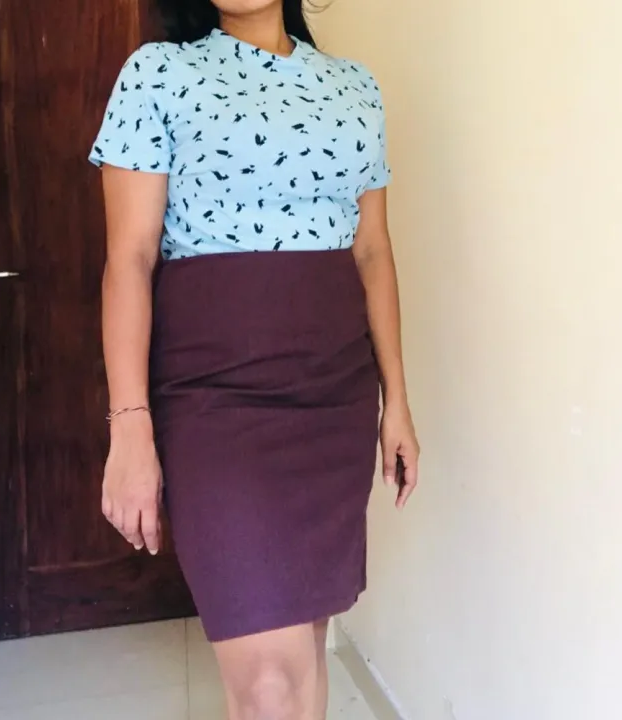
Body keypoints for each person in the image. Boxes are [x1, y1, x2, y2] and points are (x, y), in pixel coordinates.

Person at [90, 1, 419, 717]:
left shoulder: (355, 87)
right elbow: (130, 259)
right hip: (214, 400)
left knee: (304, 650)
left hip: (334, 395)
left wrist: (396, 401)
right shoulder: (159, 74)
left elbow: (372, 251)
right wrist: (129, 423)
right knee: (268, 683)